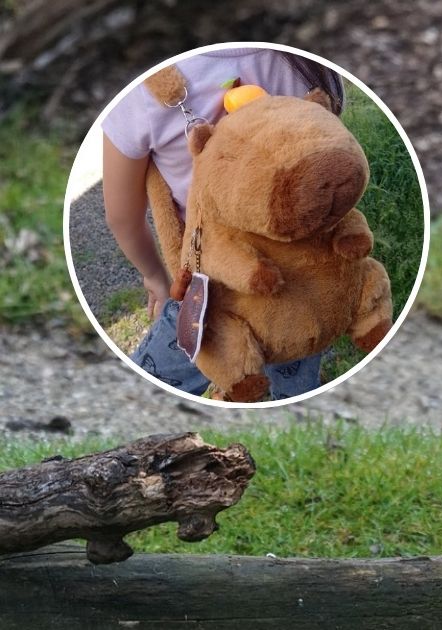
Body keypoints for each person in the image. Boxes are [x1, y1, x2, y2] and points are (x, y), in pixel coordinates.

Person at [102, 47, 345, 399]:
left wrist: (155, 276)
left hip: (208, 286)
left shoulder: (143, 89)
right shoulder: (308, 62)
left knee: (153, 392)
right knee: (298, 361)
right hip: (308, 275)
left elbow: (121, 217)